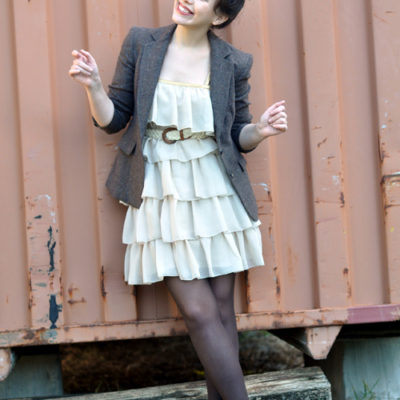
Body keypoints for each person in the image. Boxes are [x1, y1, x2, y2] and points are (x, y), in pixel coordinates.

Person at [69, 1, 287, 398]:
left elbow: (237, 135)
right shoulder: (142, 44)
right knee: (200, 311)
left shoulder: (234, 62)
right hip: (161, 185)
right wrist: (93, 86)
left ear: (219, 16)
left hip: (214, 187)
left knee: (221, 307)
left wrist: (260, 130)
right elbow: (113, 120)